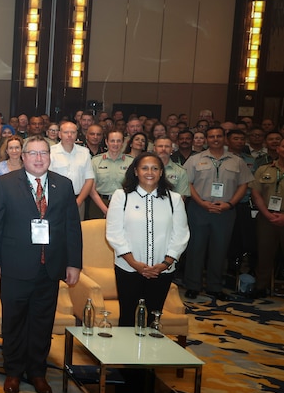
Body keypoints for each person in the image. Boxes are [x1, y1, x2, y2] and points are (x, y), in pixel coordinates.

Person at [0, 135, 82, 393]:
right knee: (13, 322)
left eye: (43, 154)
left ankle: (37, 372)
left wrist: (74, 263)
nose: (39, 159)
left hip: (49, 268)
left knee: (42, 322)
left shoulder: (64, 184)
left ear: (50, 157)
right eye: (33, 154)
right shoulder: (4, 184)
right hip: (15, 267)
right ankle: (13, 371)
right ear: (23, 157)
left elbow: (72, 228)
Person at [105, 152, 189, 326]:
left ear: (161, 172)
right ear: (135, 171)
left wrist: (165, 264)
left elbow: (181, 235)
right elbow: (114, 233)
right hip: (128, 269)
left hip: (162, 270)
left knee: (153, 319)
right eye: (144, 168)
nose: (149, 172)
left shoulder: (174, 199)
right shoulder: (122, 196)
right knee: (127, 318)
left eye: (155, 168)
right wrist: (134, 264)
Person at [183, 127, 254, 300]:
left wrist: (230, 204)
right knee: (195, 248)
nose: (215, 139)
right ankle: (193, 285)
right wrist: (202, 203)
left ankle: (214, 287)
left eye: (219, 136)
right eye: (211, 136)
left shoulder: (237, 161)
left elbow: (244, 185)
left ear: (224, 139)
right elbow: (188, 183)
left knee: (220, 250)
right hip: (199, 209)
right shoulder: (195, 160)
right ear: (206, 139)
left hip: (225, 211)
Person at [250, 138, 284, 299]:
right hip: (266, 217)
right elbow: (256, 193)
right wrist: (267, 214)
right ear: (278, 149)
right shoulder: (264, 169)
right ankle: (261, 287)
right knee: (264, 254)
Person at [87, 130, 132, 219]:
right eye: (112, 141)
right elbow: (91, 189)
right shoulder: (95, 161)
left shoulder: (131, 162)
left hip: (123, 203)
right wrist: (105, 210)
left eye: (118, 141)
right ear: (106, 142)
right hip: (99, 203)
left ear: (123, 143)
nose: (115, 144)